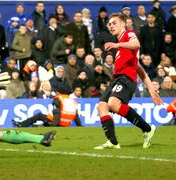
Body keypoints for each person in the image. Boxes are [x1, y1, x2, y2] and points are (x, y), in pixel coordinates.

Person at [94, 13, 163, 150]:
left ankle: (147, 129)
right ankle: (113, 142)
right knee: (102, 106)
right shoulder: (122, 48)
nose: (111, 26)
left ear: (123, 24)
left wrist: (116, 44)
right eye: (109, 24)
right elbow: (139, 69)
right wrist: (151, 89)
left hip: (126, 79)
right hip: (117, 79)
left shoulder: (128, 35)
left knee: (113, 104)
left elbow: (136, 43)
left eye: (114, 23)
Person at [12, 94, 77, 127]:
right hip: (64, 124)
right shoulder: (70, 104)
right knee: (42, 117)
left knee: (39, 116)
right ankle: (25, 124)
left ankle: (22, 125)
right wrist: (80, 125)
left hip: (58, 124)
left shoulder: (57, 105)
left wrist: (49, 124)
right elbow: (76, 116)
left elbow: (55, 120)